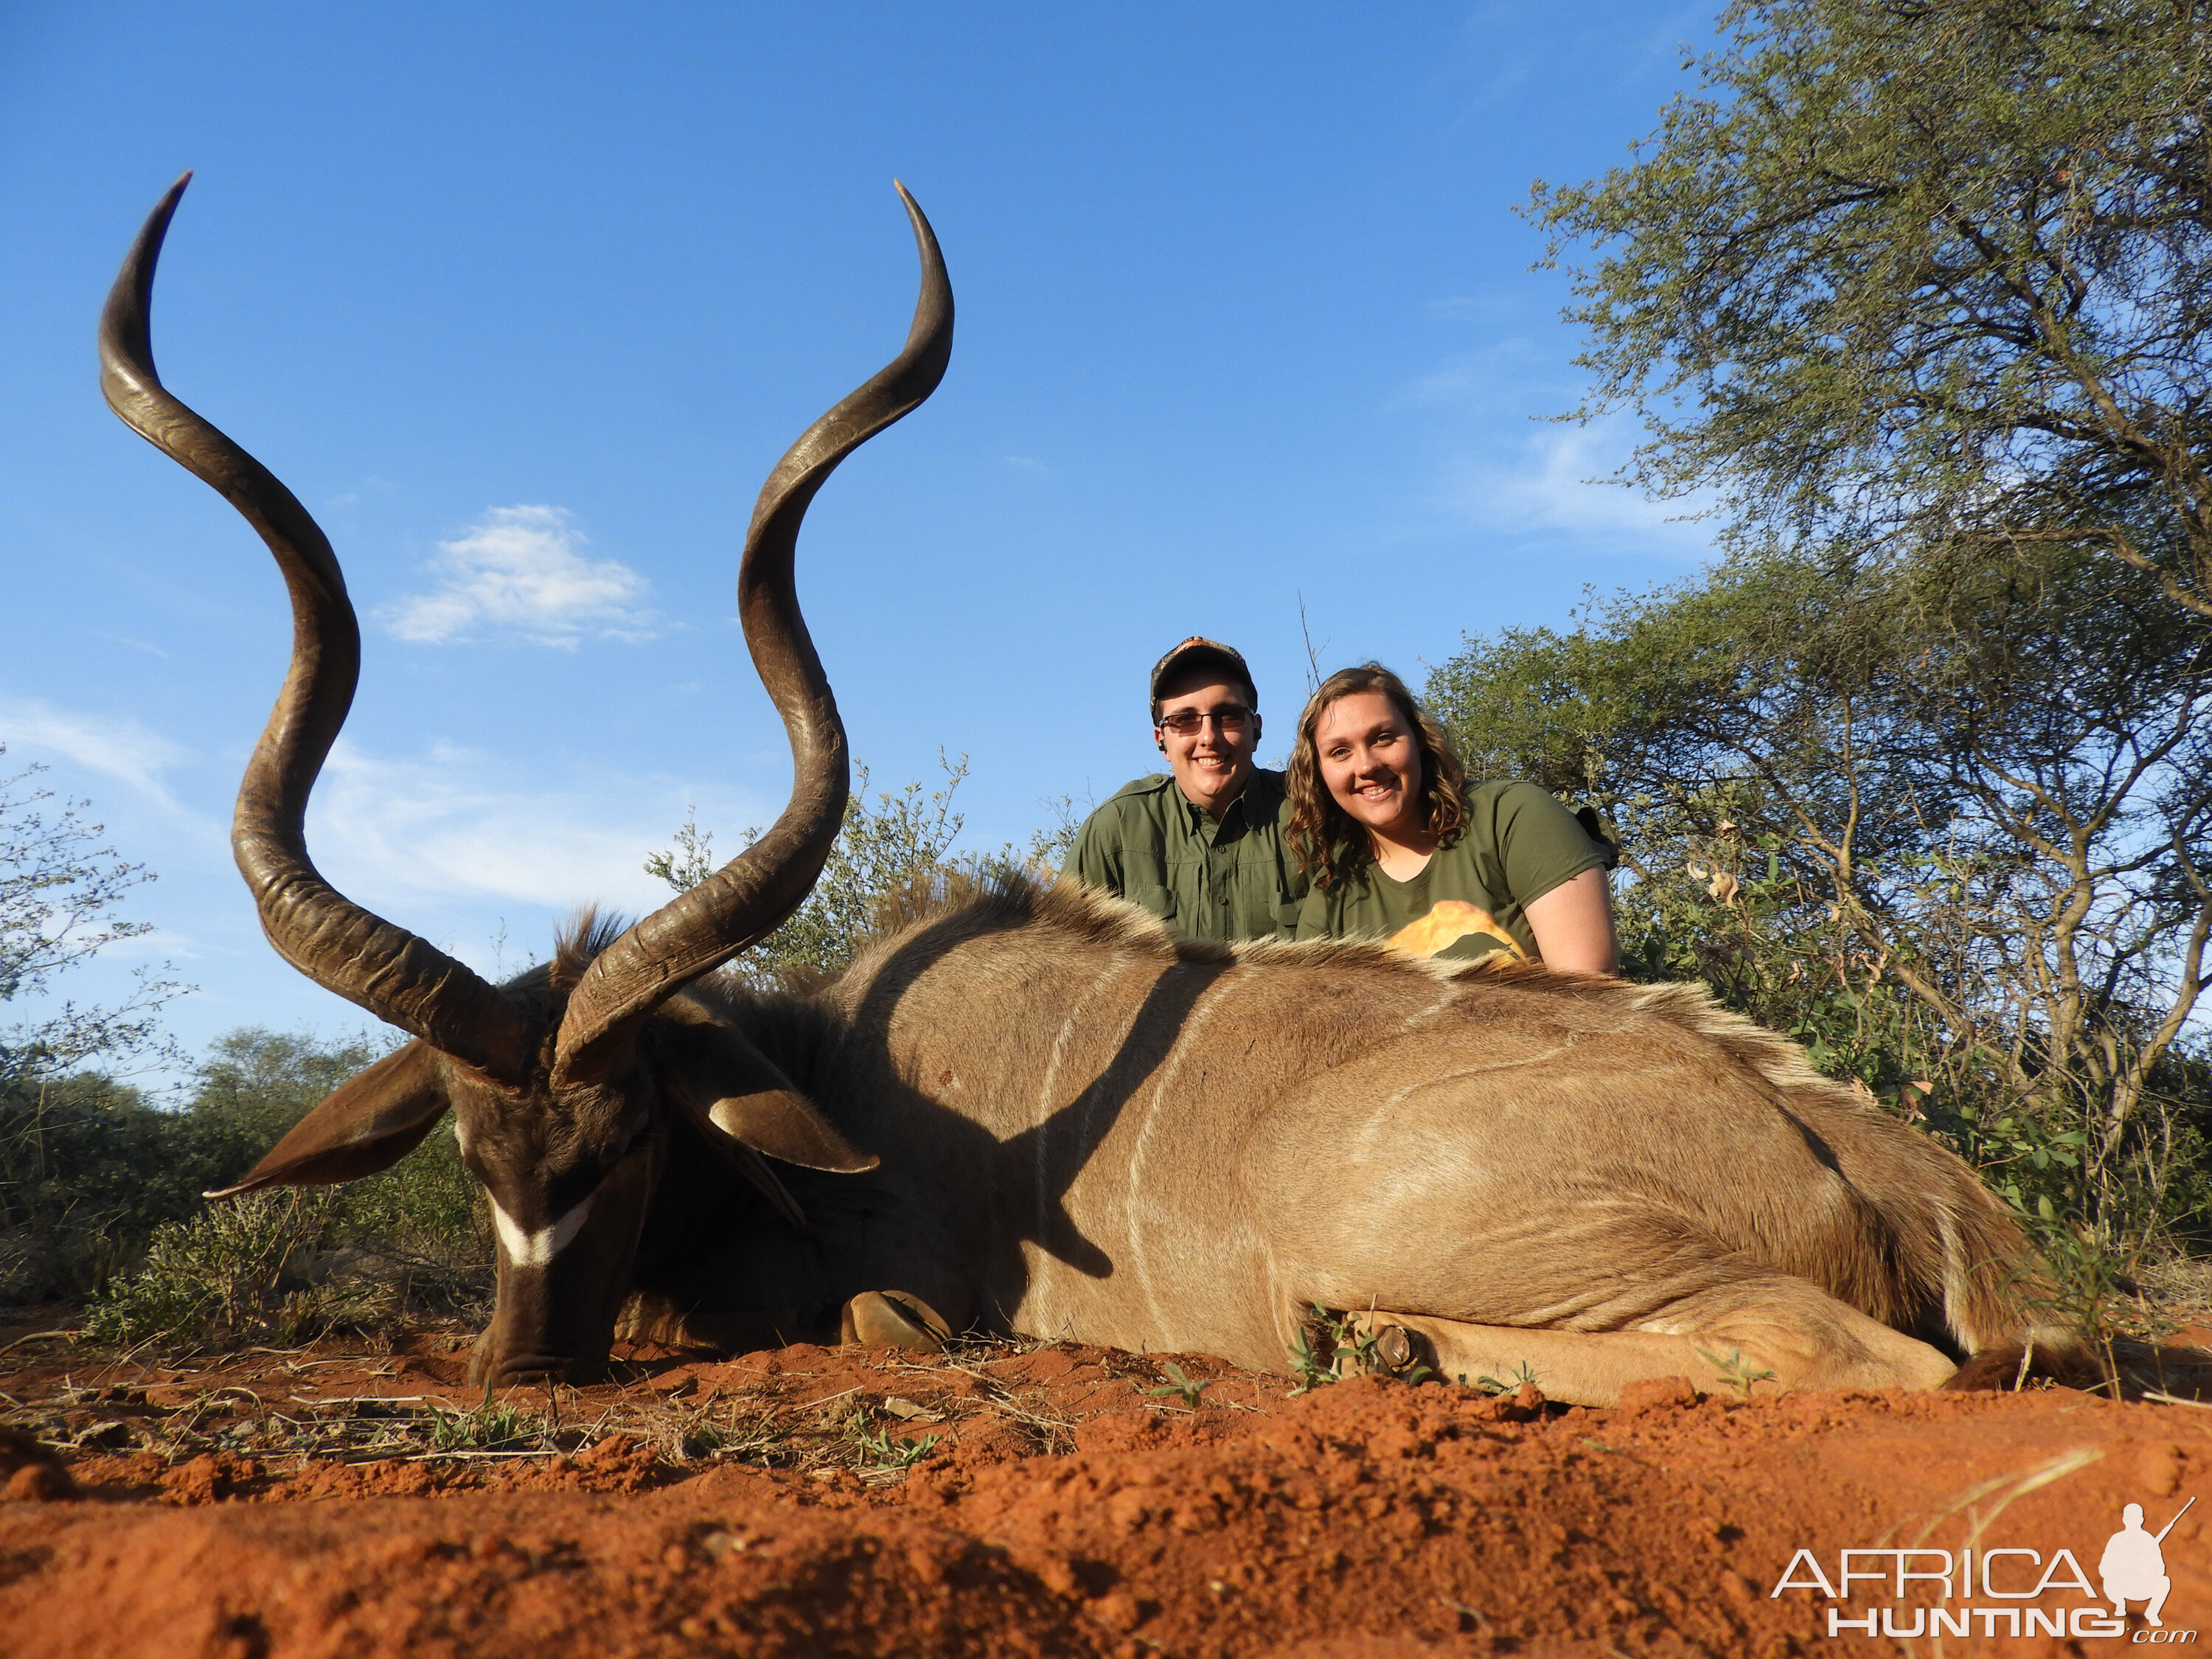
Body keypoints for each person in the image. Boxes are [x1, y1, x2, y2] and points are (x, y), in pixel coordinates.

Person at [1284, 662, 1618, 971]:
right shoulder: (1330, 898)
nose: (1367, 765)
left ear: (1419, 740)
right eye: (1340, 752)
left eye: (1383, 738)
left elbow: (1587, 998)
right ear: (1319, 773)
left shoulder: (1513, 816)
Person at [1064, 636, 1307, 941]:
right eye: (1184, 720)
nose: (1209, 737)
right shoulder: (1115, 831)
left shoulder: (1309, 815)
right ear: (1161, 740)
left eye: (1228, 715)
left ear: (1256, 728)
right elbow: (1060, 963)